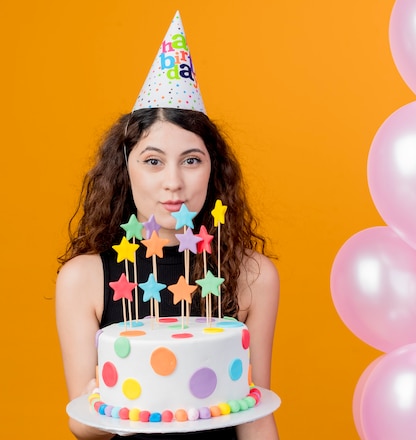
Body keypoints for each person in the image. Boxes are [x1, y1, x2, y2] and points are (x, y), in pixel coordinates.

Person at [55, 11, 279, 440]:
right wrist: (99, 402)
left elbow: (256, 411)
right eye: (153, 161)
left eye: (191, 160)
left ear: (214, 170)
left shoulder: (253, 276)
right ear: (126, 170)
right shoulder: (84, 279)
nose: (173, 182)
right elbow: (84, 428)